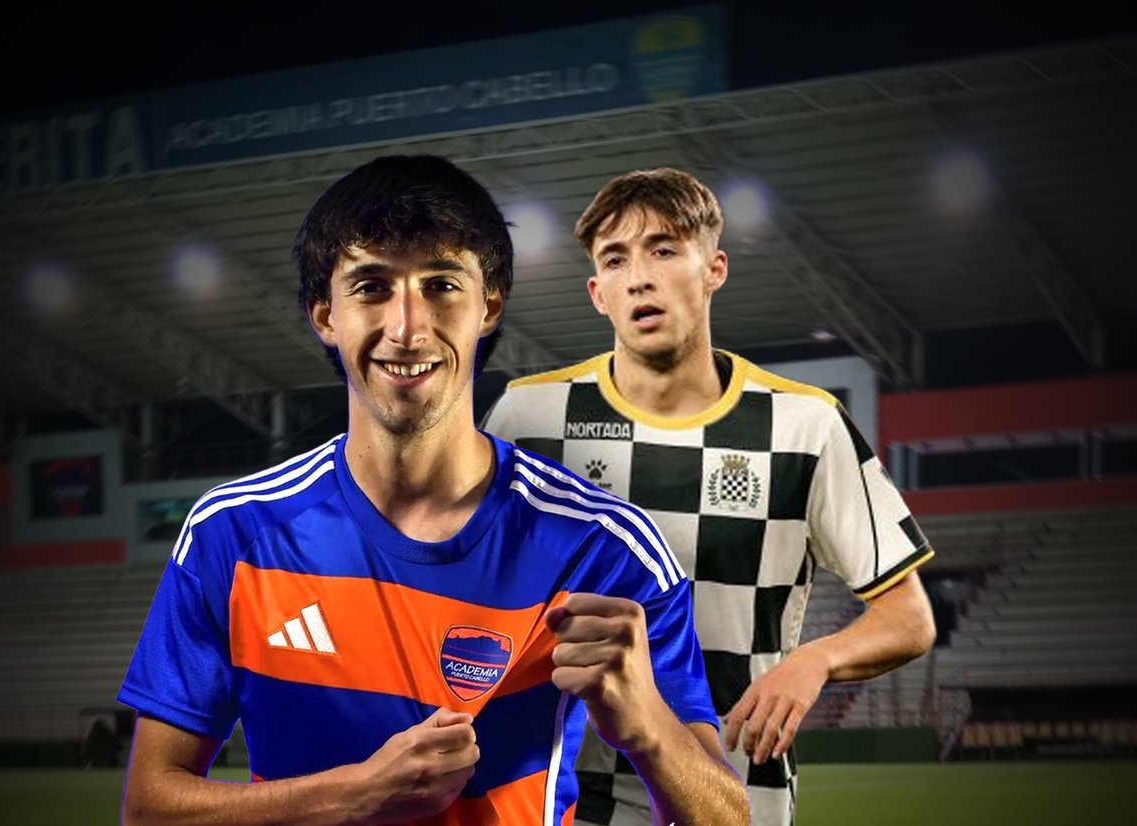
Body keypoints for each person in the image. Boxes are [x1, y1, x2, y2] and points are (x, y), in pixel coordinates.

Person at [117, 155, 748, 826]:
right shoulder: (234, 533)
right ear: (325, 315)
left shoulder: (604, 548)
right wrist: (355, 795)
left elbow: (728, 818)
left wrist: (648, 728)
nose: (407, 328)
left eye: (442, 284)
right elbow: (149, 809)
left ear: (488, 306)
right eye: (371, 287)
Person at [483, 167, 937, 826]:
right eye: (615, 259)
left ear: (713, 269)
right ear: (598, 293)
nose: (639, 277)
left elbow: (910, 617)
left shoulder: (805, 426)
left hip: (734, 797)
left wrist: (814, 661)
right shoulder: (528, 420)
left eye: (663, 250)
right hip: (571, 802)